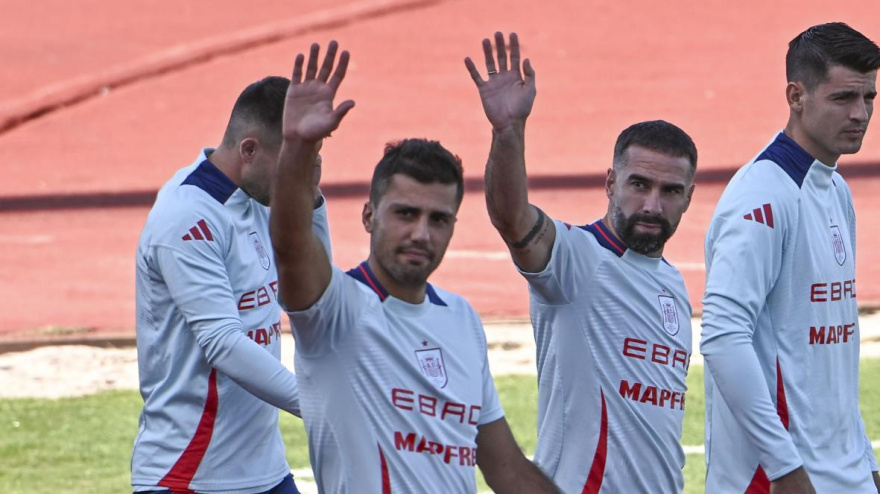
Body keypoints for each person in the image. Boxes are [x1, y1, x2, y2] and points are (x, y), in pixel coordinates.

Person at [269, 40, 559, 493]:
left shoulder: (460, 318)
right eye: (406, 213)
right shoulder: (336, 309)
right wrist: (298, 148)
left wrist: (509, 133)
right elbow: (289, 245)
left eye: (438, 219)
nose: (422, 233)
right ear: (369, 216)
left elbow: (506, 468)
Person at [465, 32, 698, 492]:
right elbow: (512, 218)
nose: (653, 204)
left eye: (670, 191)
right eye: (639, 184)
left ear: (689, 198)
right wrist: (508, 132)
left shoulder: (673, 283)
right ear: (611, 182)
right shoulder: (576, 259)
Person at [701, 22, 880, 493]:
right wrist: (784, 468)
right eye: (843, 98)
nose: (860, 114)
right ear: (796, 96)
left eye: (870, 98)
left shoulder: (834, 189)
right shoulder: (762, 195)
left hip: (846, 477)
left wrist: (865, 458)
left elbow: (830, 357)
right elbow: (722, 336)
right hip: (779, 482)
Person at [132, 76, 330, 494]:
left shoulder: (262, 198)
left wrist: (310, 199)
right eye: (290, 163)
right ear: (250, 150)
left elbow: (317, 298)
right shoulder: (187, 217)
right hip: (190, 475)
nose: (295, 176)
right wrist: (321, 406)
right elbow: (222, 341)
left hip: (266, 472)